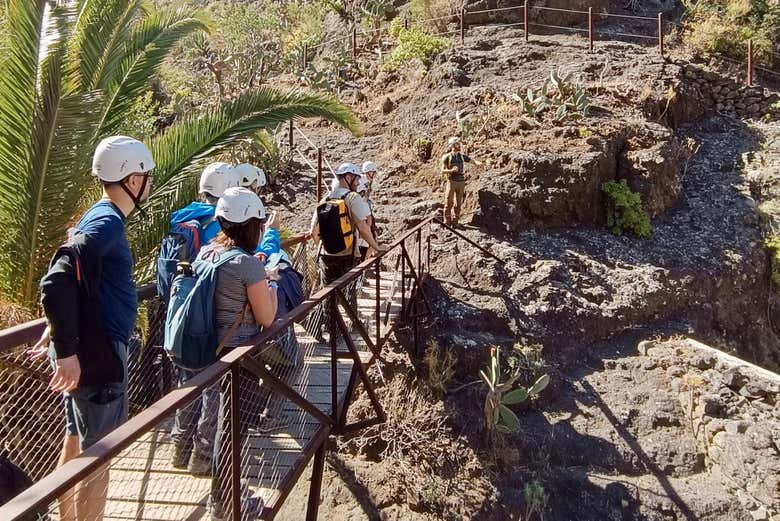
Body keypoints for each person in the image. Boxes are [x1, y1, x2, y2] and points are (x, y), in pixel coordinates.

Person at [31, 136, 155, 521]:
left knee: (75, 440)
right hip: (97, 357)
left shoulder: (97, 217)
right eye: (146, 176)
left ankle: (67, 516)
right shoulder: (106, 224)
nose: (149, 183)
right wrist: (66, 348)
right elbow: (56, 281)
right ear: (132, 180)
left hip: (87, 350)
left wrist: (58, 328)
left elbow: (78, 282)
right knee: (98, 458)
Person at [204, 187, 278, 520]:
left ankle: (225, 494)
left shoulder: (209, 252)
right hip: (240, 356)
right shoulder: (246, 264)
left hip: (213, 350)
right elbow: (266, 317)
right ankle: (226, 501)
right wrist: (271, 285)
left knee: (225, 424)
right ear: (250, 224)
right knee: (233, 429)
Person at [441, 136, 482, 226]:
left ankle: (456, 222)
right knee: (448, 202)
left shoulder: (462, 157)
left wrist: (478, 163)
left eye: (459, 143)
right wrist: (451, 170)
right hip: (451, 181)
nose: (459, 145)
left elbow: (471, 161)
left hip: (461, 182)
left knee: (458, 202)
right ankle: (446, 222)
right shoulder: (447, 157)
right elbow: (443, 170)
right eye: (456, 144)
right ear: (452, 145)